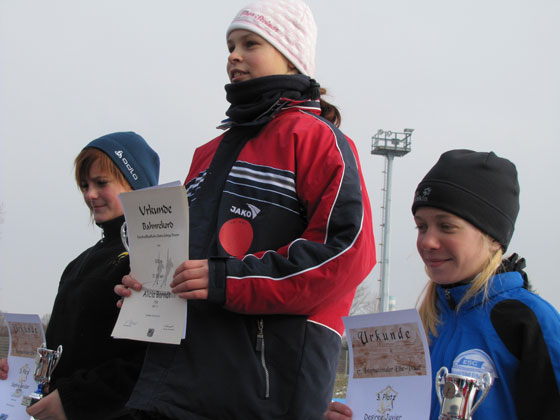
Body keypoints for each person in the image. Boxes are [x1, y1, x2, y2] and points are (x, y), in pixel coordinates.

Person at [115, 1, 376, 419]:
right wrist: (150, 290)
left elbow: (345, 255)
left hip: (266, 393)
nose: (233, 56)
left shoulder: (318, 140)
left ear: (291, 56)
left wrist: (228, 280)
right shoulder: (208, 153)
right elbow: (187, 265)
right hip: (175, 387)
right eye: (230, 46)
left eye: (250, 43)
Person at [324, 149, 560, 420]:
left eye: (446, 226)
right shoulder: (419, 328)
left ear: (493, 237)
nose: (427, 241)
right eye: (421, 227)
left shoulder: (529, 320)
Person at [1, 131, 160, 420]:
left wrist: (75, 399)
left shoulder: (154, 256)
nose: (90, 194)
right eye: (85, 185)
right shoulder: (79, 263)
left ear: (135, 185)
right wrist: (20, 372)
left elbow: (151, 361)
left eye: (101, 183)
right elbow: (63, 350)